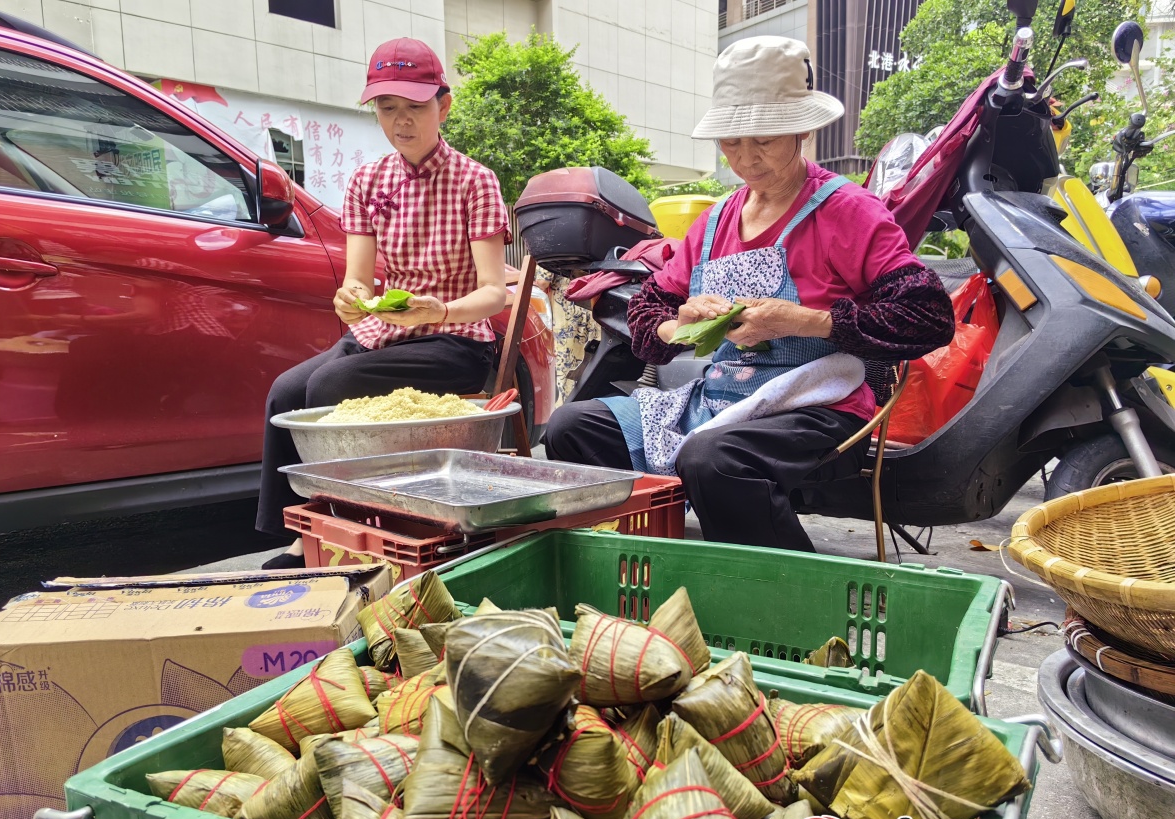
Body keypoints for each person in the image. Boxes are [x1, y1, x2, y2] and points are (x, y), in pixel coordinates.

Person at [544, 36, 955, 553]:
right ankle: (643, 560)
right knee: (571, 427)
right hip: (720, 399)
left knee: (713, 458)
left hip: (819, 405)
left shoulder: (847, 210)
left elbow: (929, 318)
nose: (746, 157)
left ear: (802, 128)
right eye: (731, 142)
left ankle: (787, 598)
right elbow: (652, 307)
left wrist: (803, 320)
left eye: (763, 138)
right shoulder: (716, 220)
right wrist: (683, 323)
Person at [256, 37, 509, 567]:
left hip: (455, 340)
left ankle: (333, 528)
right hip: (388, 333)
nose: (402, 121)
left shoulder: (476, 182)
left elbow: (491, 293)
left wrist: (438, 310)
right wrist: (349, 301)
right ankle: (302, 532)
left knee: (329, 386)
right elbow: (358, 284)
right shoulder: (367, 181)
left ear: (444, 105)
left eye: (415, 107)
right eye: (387, 108)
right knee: (285, 392)